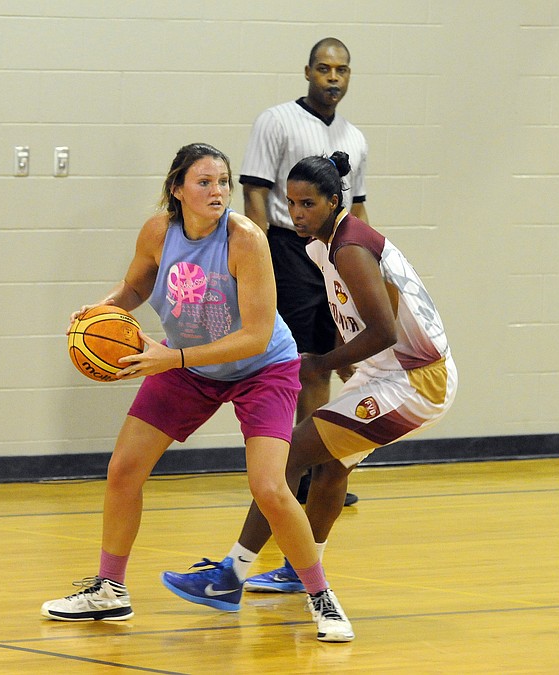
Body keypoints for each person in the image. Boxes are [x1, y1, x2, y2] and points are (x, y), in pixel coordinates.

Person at [41, 143, 354, 643]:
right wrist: (101, 309)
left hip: (261, 368)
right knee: (123, 469)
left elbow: (254, 334)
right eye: (205, 182)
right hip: (188, 366)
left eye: (224, 182)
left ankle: (321, 596)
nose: (218, 191)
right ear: (177, 189)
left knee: (270, 487)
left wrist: (174, 358)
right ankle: (109, 590)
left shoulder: (245, 239)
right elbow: (136, 288)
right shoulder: (157, 233)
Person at [161, 151, 457, 603]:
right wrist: (346, 360)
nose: (297, 213)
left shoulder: (350, 247)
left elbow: (383, 330)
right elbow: (362, 319)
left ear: (334, 201)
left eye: (308, 204)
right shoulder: (324, 243)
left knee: (291, 454)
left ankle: (230, 574)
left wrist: (319, 363)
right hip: (389, 371)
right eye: (291, 203)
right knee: (331, 466)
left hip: (416, 381)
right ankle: (301, 570)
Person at [239, 37, 369, 507]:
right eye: (323, 68)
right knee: (292, 366)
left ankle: (315, 473)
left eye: (341, 70)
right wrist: (254, 261)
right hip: (287, 251)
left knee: (322, 367)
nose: (333, 77)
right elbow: (254, 194)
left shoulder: (355, 138)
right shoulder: (276, 122)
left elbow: (358, 209)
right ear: (308, 72)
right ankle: (285, 475)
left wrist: (365, 268)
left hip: (332, 253)